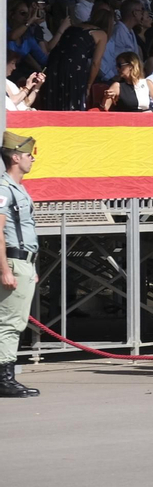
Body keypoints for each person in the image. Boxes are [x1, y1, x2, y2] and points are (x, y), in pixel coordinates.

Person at [0, 132, 41, 398]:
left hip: (22, 262)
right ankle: (5, 379)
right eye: (28, 155)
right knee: (10, 323)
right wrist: (5, 269)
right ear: (15, 157)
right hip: (13, 262)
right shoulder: (5, 188)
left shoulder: (17, 187)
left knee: (14, 321)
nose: (32, 159)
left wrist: (31, 267)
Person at [34, 5, 108, 110]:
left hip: (54, 65)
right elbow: (96, 63)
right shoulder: (102, 34)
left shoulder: (73, 27)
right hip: (74, 69)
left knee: (53, 104)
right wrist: (88, 85)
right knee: (72, 107)